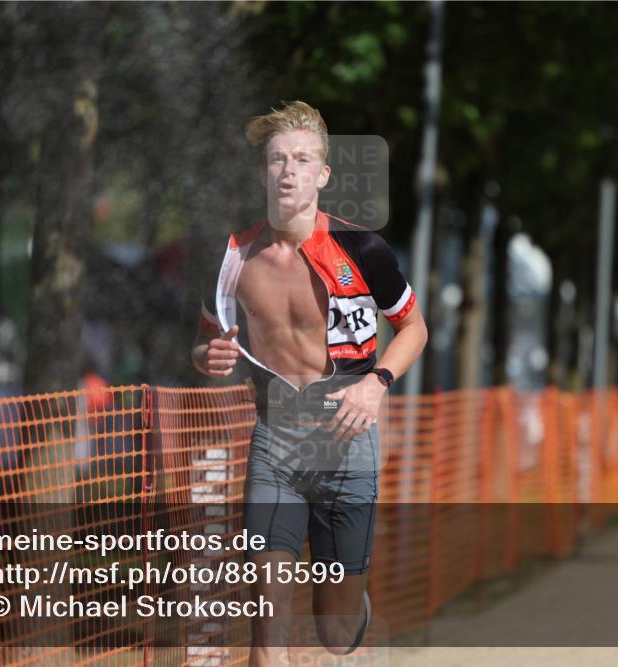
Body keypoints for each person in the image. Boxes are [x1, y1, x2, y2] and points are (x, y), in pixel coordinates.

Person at [191, 101, 427, 663]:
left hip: (347, 442)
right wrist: (209, 356)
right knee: (266, 635)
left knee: (335, 632)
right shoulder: (233, 258)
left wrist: (377, 384)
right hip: (276, 442)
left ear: (323, 174)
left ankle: (352, 613)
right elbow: (204, 342)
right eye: (277, 159)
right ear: (263, 173)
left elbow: (414, 327)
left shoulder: (362, 248)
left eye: (301, 159)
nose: (288, 170)